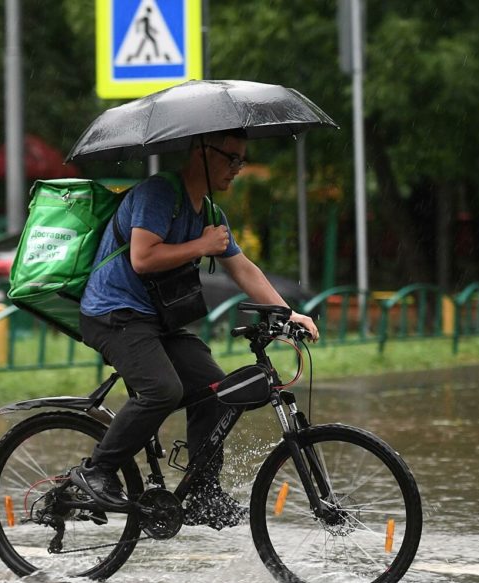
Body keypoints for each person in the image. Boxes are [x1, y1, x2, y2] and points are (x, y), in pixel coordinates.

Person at [71, 130, 319, 529]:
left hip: (156, 320)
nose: (237, 168)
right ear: (202, 153)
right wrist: (201, 246)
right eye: (231, 158)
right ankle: (96, 471)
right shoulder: (158, 194)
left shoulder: (209, 214)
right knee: (162, 389)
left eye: (242, 160)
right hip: (112, 312)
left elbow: (243, 269)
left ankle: (203, 493)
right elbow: (142, 258)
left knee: (216, 392)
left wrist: (288, 315)